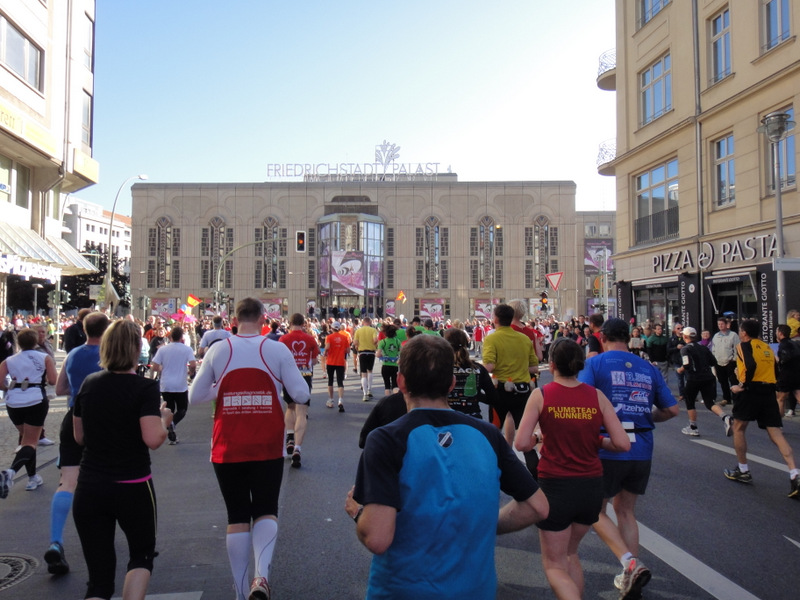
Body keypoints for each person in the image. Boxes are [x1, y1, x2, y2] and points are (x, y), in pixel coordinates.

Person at [345, 335, 549, 599]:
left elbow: (377, 538)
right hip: (476, 591)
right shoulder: (488, 435)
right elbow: (538, 506)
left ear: (400, 381)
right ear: (451, 384)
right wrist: (483, 521)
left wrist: (357, 512)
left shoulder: (386, 439)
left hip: (403, 590)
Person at [189, 297, 311, 600]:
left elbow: (194, 396)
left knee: (237, 515)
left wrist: (221, 388)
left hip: (227, 444)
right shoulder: (275, 348)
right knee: (266, 509)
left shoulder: (219, 349)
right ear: (263, 319)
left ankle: (241, 591)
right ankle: (262, 577)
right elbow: (301, 392)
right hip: (267, 442)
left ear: (234, 318)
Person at [516, 337, 630, 600]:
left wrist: (539, 439)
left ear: (551, 364)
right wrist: (597, 440)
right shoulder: (596, 396)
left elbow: (521, 443)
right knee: (570, 553)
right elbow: (623, 444)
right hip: (591, 486)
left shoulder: (541, 395)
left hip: (556, 486)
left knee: (554, 565)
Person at [71, 319, 174, 600]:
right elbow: (153, 439)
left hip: (90, 486)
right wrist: (164, 419)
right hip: (132, 484)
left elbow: (79, 436)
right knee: (141, 555)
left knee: (99, 581)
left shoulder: (89, 384)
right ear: (136, 349)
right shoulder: (144, 388)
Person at [577, 318, 679, 599]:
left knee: (595, 510)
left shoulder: (595, 365)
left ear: (603, 336)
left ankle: (630, 563)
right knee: (626, 511)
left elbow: (583, 400)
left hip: (607, 445)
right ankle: (628, 574)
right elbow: (672, 410)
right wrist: (648, 419)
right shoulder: (647, 367)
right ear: (629, 337)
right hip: (642, 447)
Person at [44, 311, 109, 575]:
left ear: (84, 329)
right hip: (102, 419)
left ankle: (56, 541)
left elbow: (60, 389)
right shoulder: (109, 354)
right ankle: (101, 537)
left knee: (68, 481)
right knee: (106, 477)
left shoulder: (72, 354)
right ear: (106, 330)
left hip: (73, 418)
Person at [723, 319, 800, 498]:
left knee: (739, 428)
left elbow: (750, 366)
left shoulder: (743, 346)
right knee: (776, 433)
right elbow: (776, 368)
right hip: (768, 391)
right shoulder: (767, 347)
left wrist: (741, 385)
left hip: (750, 391)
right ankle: (794, 473)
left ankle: (743, 470)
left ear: (744, 333)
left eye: (741, 330)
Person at [0, 328, 58, 497]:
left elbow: (0, 382)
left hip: (14, 401)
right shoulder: (44, 357)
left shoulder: (9, 360)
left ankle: (33, 477)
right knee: (30, 442)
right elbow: (53, 380)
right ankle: (10, 472)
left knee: (26, 438)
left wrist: (9, 387)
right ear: (35, 342)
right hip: (35, 399)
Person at [482, 304, 539, 474]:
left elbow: (490, 367)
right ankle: (535, 473)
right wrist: (519, 368)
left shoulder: (492, 338)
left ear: (496, 319)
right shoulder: (523, 339)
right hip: (523, 392)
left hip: (500, 391)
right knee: (525, 433)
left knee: (494, 430)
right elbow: (535, 367)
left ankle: (493, 470)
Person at [279, 313, 320, 468]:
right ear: (304, 323)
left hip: (289, 376)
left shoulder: (283, 339)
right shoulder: (310, 339)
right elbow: (315, 360)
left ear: (290, 323)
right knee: (302, 411)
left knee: (290, 407)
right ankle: (297, 448)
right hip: (305, 375)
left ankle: (289, 436)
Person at [677, 326, 732, 437]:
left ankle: (693, 427)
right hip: (708, 377)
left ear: (685, 336)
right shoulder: (703, 347)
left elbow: (686, 364)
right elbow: (713, 362)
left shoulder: (685, 349)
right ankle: (725, 417)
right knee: (709, 402)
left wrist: (680, 369)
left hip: (694, 378)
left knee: (690, 401)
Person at [151, 326, 197, 445]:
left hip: (166, 384)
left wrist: (162, 368)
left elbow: (154, 366)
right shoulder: (187, 349)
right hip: (180, 384)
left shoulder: (163, 349)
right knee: (182, 409)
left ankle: (172, 435)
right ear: (182, 337)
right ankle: (172, 424)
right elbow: (193, 364)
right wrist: (191, 372)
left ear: (170, 336)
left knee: (169, 410)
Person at [711, 316, 739, 406]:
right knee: (723, 381)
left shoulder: (733, 335)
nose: (720, 326)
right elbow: (713, 348)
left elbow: (737, 348)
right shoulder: (716, 336)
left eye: (722, 324)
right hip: (719, 362)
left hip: (730, 362)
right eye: (719, 324)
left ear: (726, 325)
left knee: (733, 381)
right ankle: (726, 398)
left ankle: (736, 399)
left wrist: (734, 359)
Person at [324, 321, 350, 412]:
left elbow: (327, 347)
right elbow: (348, 350)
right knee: (340, 382)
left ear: (332, 328)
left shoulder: (329, 337)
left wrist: (325, 352)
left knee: (330, 381)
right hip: (340, 361)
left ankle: (331, 400)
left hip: (331, 361)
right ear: (339, 328)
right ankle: (340, 400)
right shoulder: (344, 337)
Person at [776, 324, 800, 417]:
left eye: (777, 332)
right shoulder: (795, 343)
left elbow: (784, 359)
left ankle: (778, 424)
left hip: (786, 375)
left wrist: (777, 359)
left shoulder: (783, 345)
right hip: (797, 373)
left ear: (780, 333)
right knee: (798, 394)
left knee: (780, 399)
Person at [353, 316, 378, 401]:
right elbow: (375, 340)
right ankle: (370, 389)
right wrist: (374, 344)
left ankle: (364, 393)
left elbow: (355, 342)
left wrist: (357, 346)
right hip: (371, 352)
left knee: (363, 372)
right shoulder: (373, 330)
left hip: (362, 352)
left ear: (363, 322)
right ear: (370, 323)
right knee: (370, 370)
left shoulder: (358, 331)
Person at [375, 322, 401, 395]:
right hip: (395, 365)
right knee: (395, 385)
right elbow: (402, 352)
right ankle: (395, 401)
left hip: (386, 365)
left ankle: (388, 401)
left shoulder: (383, 342)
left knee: (387, 385)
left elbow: (378, 354)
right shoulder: (397, 341)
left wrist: (383, 355)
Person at [667, 322, 686, 399]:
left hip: (685, 361)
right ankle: (682, 394)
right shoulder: (672, 339)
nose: (680, 330)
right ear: (675, 330)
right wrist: (676, 348)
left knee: (688, 379)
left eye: (681, 328)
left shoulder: (685, 338)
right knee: (680, 379)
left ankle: (689, 394)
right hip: (677, 361)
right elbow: (668, 349)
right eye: (678, 328)